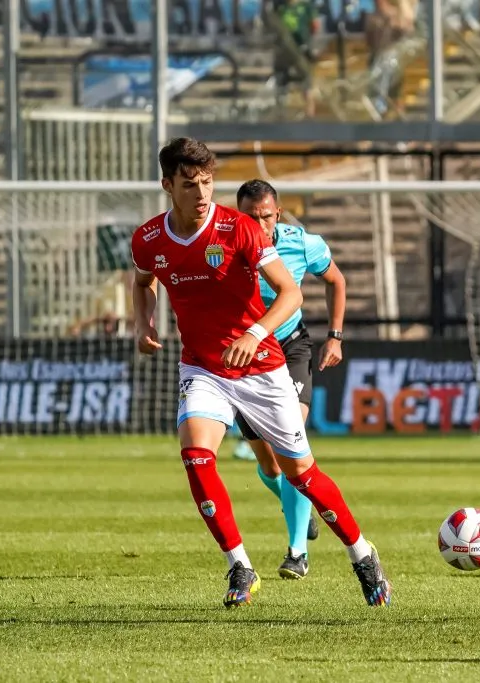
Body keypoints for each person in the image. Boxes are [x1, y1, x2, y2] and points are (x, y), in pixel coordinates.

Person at [130, 137, 390, 608]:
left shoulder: (239, 229)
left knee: (301, 474)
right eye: (191, 184)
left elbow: (290, 293)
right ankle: (240, 567)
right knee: (194, 452)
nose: (203, 192)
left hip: (263, 366)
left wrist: (254, 333)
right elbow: (144, 280)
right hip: (203, 366)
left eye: (208, 182)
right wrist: (142, 321)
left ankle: (362, 553)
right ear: (168, 185)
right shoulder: (149, 238)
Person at [230, 178, 347, 581]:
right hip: (246, 356)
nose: (259, 225)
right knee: (268, 463)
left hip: (290, 348)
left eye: (266, 217)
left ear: (277, 214)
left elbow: (336, 280)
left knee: (290, 444)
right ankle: (299, 503)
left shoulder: (302, 243)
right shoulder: (225, 241)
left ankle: (297, 552)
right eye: (251, 217)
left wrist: (335, 336)